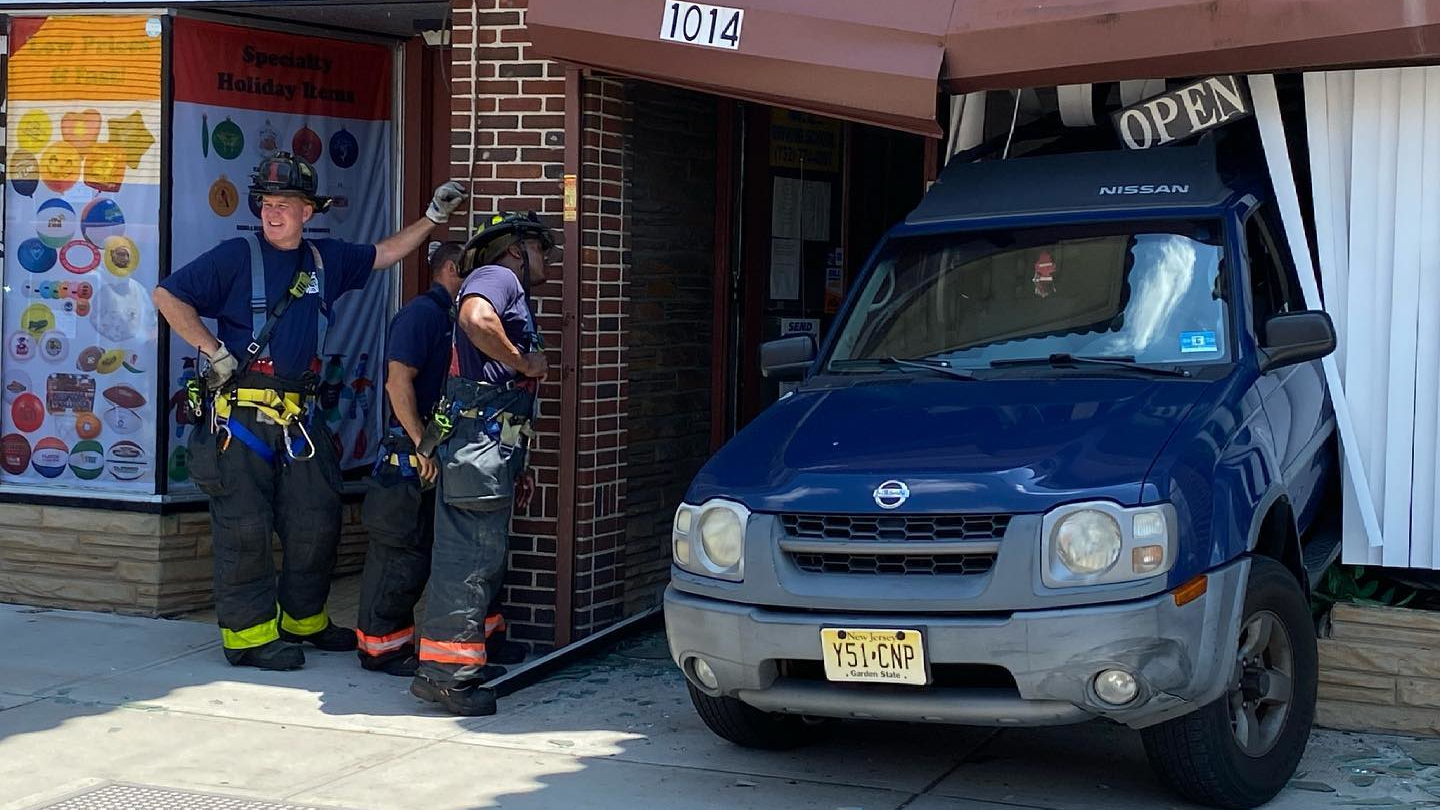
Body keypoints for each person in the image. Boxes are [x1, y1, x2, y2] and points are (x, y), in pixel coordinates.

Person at [153, 151, 468, 671]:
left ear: (308, 211)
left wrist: (434, 217)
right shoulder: (234, 256)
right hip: (244, 418)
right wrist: (214, 351)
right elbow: (168, 295)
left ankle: (304, 621)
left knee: (315, 521)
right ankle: (249, 636)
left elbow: (386, 253)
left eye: (286, 204)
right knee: (245, 527)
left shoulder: (326, 260)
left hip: (301, 415)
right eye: (267, 204)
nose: (272, 213)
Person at [410, 212, 553, 716]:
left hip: (491, 447)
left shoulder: (506, 283)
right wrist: (524, 360)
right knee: (467, 562)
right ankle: (448, 678)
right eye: (542, 249)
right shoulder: (500, 277)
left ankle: (459, 665)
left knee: (479, 560)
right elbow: (474, 318)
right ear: (516, 248)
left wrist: (521, 463)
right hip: (479, 447)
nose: (547, 261)